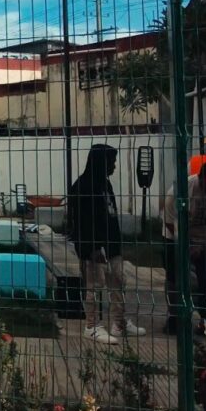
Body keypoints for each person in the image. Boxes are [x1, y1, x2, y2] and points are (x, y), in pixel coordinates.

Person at [68, 144, 146, 344]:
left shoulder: (105, 184)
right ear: (100, 162)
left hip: (111, 244)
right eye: (111, 161)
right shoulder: (83, 186)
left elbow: (111, 214)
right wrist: (91, 248)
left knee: (118, 281)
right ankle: (92, 325)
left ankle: (119, 323)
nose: (114, 166)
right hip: (93, 247)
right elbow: (80, 222)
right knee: (94, 285)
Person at [161, 160, 206, 334]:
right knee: (175, 277)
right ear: (200, 178)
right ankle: (175, 317)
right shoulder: (180, 191)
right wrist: (188, 245)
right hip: (177, 235)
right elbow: (170, 223)